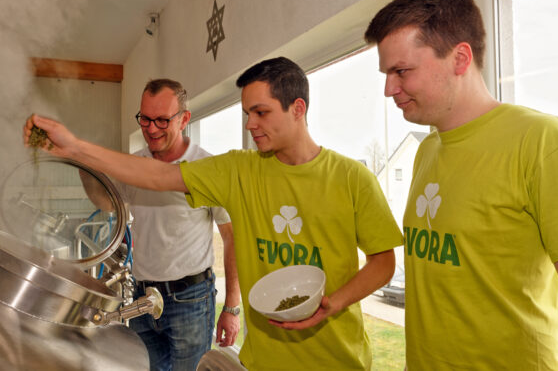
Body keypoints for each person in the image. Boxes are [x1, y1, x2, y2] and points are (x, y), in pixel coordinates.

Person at [23, 57, 404, 370]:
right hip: (264, 358)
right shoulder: (238, 170)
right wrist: (74, 148)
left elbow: (383, 261)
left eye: (261, 112)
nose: (250, 124)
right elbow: (156, 174)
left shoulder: (352, 177)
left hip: (338, 359)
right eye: (246, 113)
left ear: (298, 108)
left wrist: (330, 304)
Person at [364, 0, 558, 370]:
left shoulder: (541, 141)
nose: (389, 88)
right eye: (386, 73)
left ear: (460, 58)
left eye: (401, 71)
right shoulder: (427, 150)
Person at [82, 78, 240, 371]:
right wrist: (81, 162)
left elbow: (232, 237)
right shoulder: (134, 165)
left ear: (184, 119)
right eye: (145, 119)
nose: (151, 129)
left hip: (191, 300)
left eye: (162, 120)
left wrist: (231, 307)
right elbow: (105, 202)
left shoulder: (206, 168)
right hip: (143, 298)